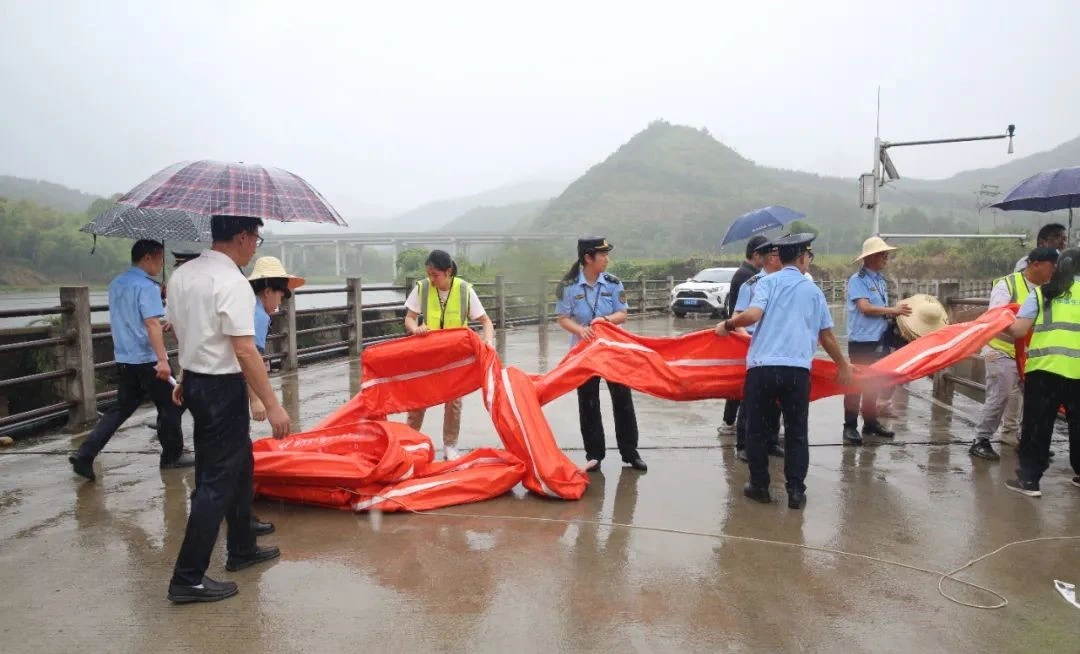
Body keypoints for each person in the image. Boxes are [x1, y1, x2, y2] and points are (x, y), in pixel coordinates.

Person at [165, 215, 290, 604]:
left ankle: (242, 546)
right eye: (256, 239)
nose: (254, 248)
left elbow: (184, 331)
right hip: (221, 387)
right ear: (242, 236)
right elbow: (244, 349)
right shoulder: (232, 282)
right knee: (217, 481)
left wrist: (185, 375)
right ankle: (187, 577)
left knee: (239, 466)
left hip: (197, 382)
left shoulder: (182, 276)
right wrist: (272, 404)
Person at [715, 234, 852, 509]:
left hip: (763, 369)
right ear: (801, 258)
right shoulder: (813, 291)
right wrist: (843, 365)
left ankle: (759, 486)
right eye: (808, 256)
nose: (808, 261)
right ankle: (796, 491)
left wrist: (728, 325)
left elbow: (752, 315)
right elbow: (826, 336)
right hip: (797, 372)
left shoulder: (767, 282)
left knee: (757, 428)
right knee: (796, 431)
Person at [69, 239, 193, 481]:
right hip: (147, 358)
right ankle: (172, 456)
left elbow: (132, 319)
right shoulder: (147, 287)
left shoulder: (117, 283)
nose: (161, 264)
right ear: (147, 258)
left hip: (125, 357)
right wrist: (162, 360)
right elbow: (151, 323)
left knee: (121, 408)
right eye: (159, 259)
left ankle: (85, 453)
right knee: (172, 403)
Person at [556, 237, 647, 473]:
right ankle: (594, 455)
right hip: (584, 353)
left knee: (623, 400)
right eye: (603, 254)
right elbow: (563, 318)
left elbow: (622, 313)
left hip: (613, 351)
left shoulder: (613, 283)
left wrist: (605, 320)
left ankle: (630, 452)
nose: (607, 259)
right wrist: (580, 330)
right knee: (588, 402)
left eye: (607, 254)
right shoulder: (569, 286)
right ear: (588, 258)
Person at [403, 249, 495, 461]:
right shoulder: (422, 288)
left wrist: (488, 343)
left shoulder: (464, 290)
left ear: (448, 272)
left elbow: (486, 322)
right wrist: (416, 329)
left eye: (435, 275)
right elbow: (409, 318)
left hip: (455, 357)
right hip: (428, 354)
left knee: (453, 402)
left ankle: (450, 445)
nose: (431, 279)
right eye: (429, 274)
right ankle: (409, 442)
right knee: (418, 401)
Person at [1004, 247, 1080, 497]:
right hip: (1078, 371)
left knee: (1038, 425)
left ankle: (1029, 480)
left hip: (1044, 371)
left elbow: (1018, 330)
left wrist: (996, 324)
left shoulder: (1041, 294)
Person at [970, 247, 1058, 461]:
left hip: (1031, 354)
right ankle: (981, 440)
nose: (1055, 271)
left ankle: (1028, 440)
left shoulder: (1049, 289)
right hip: (1001, 349)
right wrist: (1019, 330)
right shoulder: (1007, 284)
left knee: (1035, 399)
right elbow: (996, 316)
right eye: (1052, 266)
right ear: (1036, 264)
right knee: (999, 395)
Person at [245, 255, 306, 536]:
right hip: (231, 385)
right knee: (238, 454)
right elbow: (248, 357)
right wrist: (257, 399)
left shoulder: (249, 307)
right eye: (280, 294)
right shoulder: (257, 315)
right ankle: (241, 517)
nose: (280, 301)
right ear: (268, 290)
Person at [841, 236, 912, 445]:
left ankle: (870, 423)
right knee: (856, 384)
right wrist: (892, 310)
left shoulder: (880, 280)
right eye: (883, 255)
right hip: (862, 341)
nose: (886, 258)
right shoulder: (858, 280)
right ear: (871, 257)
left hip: (879, 339)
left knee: (873, 383)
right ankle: (850, 426)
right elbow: (864, 307)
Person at [730, 238, 784, 462]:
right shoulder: (751, 284)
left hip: (778, 346)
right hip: (755, 345)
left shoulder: (785, 284)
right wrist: (747, 340)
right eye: (778, 255)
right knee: (751, 399)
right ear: (769, 258)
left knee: (777, 397)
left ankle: (772, 440)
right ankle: (743, 444)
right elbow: (737, 317)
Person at [718, 234, 770, 436]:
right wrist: (743, 335)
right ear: (756, 255)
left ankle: (731, 421)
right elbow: (738, 312)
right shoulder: (745, 276)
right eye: (766, 254)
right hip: (743, 334)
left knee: (741, 380)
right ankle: (730, 422)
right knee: (740, 382)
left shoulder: (751, 274)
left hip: (744, 333)